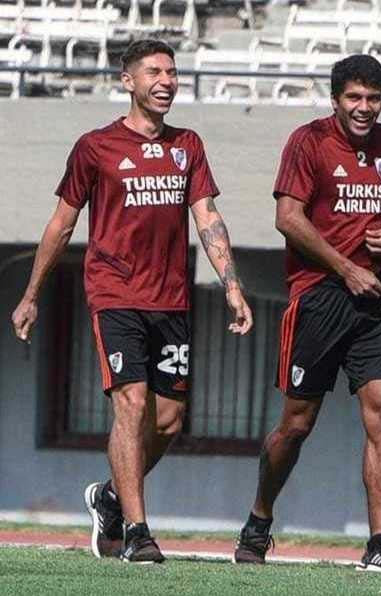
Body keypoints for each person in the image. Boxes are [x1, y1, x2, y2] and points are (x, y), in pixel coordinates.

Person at [10, 39, 253, 564]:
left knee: (167, 420)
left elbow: (207, 217)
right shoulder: (95, 146)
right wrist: (31, 294)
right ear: (128, 81)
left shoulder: (188, 144)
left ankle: (111, 499)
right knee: (132, 402)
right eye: (154, 73)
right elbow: (62, 223)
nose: (166, 81)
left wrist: (231, 284)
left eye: (172, 72)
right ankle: (139, 532)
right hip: (115, 292)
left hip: (171, 300)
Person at [232, 54, 381, 572]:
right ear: (335, 100)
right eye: (354, 98)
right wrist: (344, 268)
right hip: (319, 297)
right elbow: (287, 218)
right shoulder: (307, 141)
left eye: (373, 98)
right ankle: (260, 517)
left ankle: (380, 542)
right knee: (296, 423)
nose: (364, 108)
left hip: (375, 299)